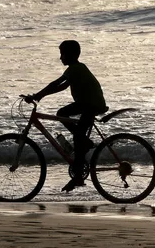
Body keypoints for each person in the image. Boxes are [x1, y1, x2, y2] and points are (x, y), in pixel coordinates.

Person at [24, 40, 108, 192]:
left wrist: (38, 95)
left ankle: (78, 175)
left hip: (90, 105)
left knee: (77, 136)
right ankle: (83, 146)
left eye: (63, 54)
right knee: (66, 120)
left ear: (72, 55)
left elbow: (55, 83)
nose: (60, 57)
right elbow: (61, 86)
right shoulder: (75, 69)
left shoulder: (75, 68)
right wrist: (41, 96)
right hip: (87, 104)